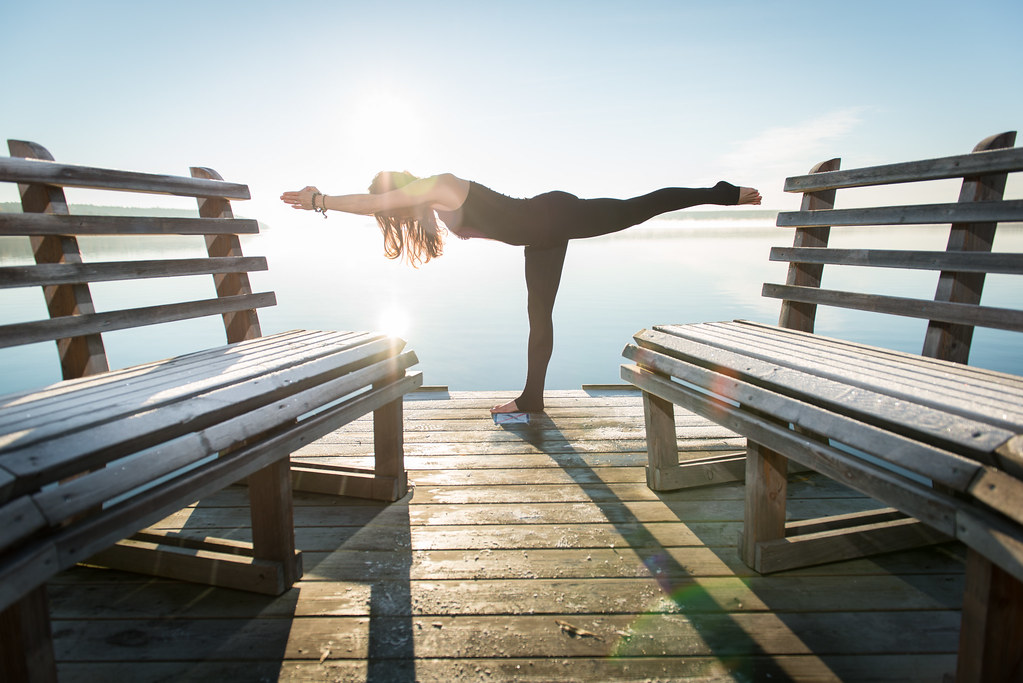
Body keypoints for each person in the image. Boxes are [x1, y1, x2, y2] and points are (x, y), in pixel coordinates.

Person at [281, 173, 762, 415]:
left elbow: (375, 204)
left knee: (640, 208)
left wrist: (319, 201)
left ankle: (720, 192)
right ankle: (532, 399)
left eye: (396, 202)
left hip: (555, 215)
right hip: (539, 239)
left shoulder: (441, 184)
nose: (397, 212)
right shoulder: (433, 205)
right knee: (538, 318)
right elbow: (386, 208)